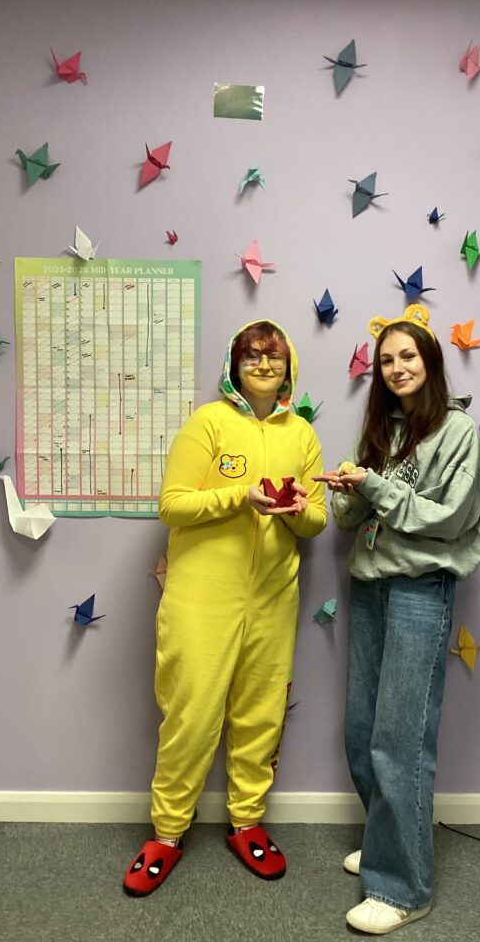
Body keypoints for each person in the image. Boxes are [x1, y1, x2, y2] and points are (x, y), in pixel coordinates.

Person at [124, 319, 327, 895]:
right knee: (190, 714)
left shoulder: (302, 434)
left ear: (289, 368)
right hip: (201, 596)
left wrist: (296, 511)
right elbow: (172, 505)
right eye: (252, 356)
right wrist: (242, 497)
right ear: (234, 367)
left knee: (261, 714)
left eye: (274, 357)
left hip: (273, 597)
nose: (264, 365)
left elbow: (317, 521)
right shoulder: (207, 423)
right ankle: (167, 833)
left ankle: (247, 822)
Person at [318, 304, 480, 935]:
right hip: (369, 586)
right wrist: (346, 493)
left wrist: (376, 489)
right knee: (363, 731)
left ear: (431, 361)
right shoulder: (377, 430)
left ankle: (402, 887)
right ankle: (388, 840)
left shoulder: (457, 431)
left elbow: (448, 518)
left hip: (421, 588)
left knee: (400, 738)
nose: (397, 368)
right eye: (387, 360)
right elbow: (351, 520)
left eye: (408, 356)